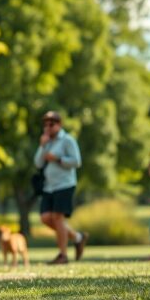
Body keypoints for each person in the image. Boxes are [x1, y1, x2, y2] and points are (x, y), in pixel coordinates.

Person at [33, 111, 88, 265]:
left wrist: (58, 159)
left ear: (59, 125)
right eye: (45, 124)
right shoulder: (47, 142)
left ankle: (62, 255)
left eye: (51, 124)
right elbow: (38, 163)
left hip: (65, 184)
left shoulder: (67, 140)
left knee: (58, 218)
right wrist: (42, 146)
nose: (48, 127)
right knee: (46, 218)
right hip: (49, 187)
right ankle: (77, 237)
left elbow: (77, 162)